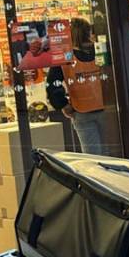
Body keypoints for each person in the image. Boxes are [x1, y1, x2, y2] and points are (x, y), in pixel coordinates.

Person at [47, 18, 109, 155]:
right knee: (112, 152)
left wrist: (62, 104)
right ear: (88, 32)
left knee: (93, 156)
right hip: (107, 108)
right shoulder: (101, 49)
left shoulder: (65, 56)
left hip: (81, 110)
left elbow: (52, 84)